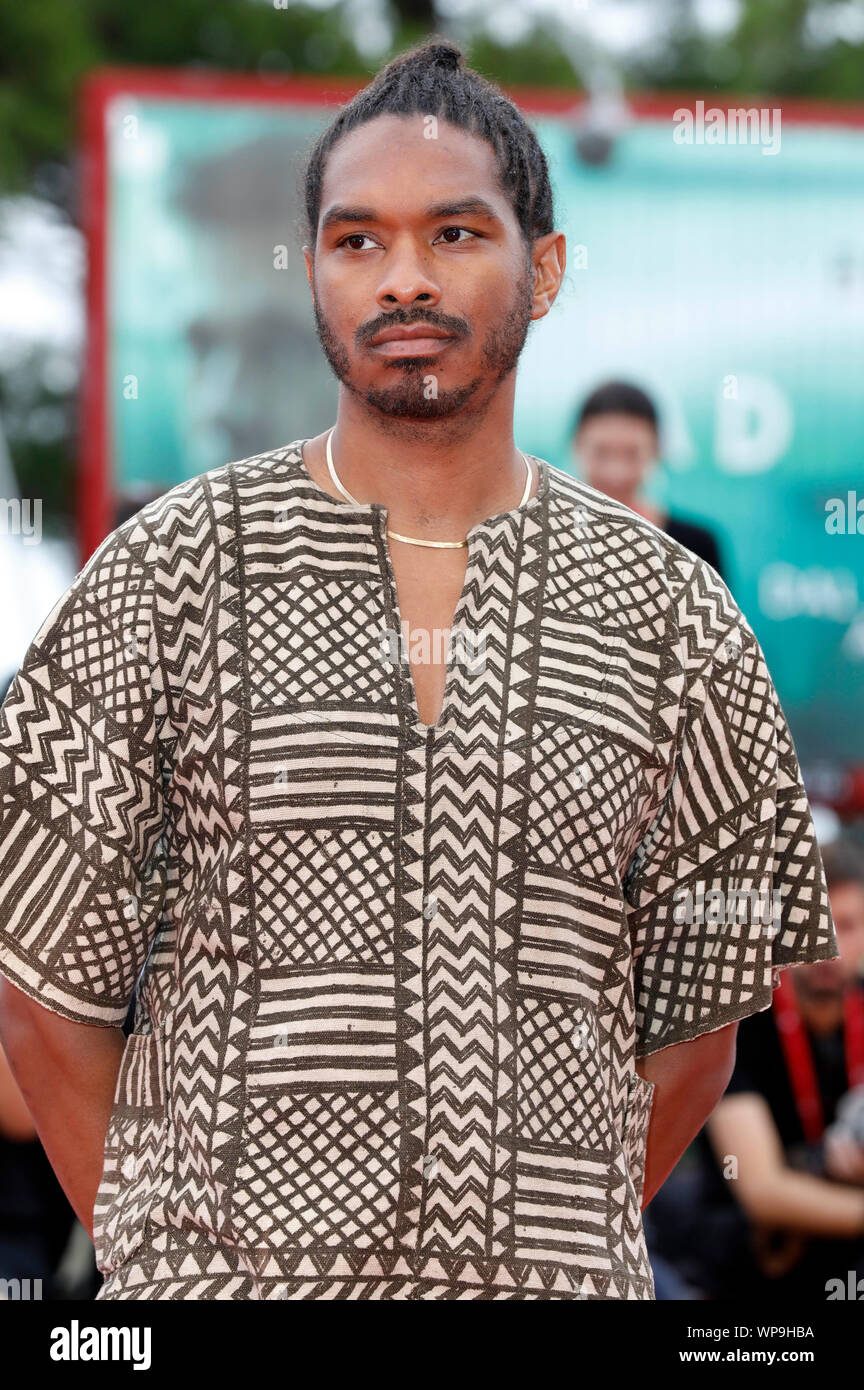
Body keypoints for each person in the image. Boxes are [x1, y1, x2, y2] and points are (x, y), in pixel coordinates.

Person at [0, 37, 839, 1301]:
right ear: (315, 272)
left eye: (454, 235)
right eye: (357, 241)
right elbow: (47, 1003)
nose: (403, 280)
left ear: (543, 268)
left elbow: (698, 1035)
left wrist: (538, 1236)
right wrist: (168, 1259)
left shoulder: (676, 615)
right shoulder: (162, 574)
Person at [647, 837, 864, 1299]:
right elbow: (762, 1191)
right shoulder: (743, 1019)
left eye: (846, 926)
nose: (829, 948)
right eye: (814, 925)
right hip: (735, 1258)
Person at [572, 380, 725, 578]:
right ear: (577, 447)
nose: (616, 473)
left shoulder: (695, 547)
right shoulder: (546, 540)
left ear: (656, 451)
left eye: (631, 454)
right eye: (602, 453)